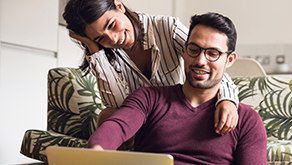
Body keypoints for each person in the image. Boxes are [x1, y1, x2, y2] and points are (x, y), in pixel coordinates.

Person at [87, 12, 267, 164]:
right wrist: (95, 152)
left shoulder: (247, 120)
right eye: (194, 50)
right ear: (184, 49)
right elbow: (116, 127)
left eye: (213, 53)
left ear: (229, 60)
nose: (200, 61)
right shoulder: (149, 98)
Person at [63, 0, 239, 141]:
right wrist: (94, 48)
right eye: (101, 37)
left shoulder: (167, 28)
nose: (114, 39)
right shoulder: (106, 53)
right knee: (107, 115)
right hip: (139, 120)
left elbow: (207, 61)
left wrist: (228, 100)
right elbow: (116, 106)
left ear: (119, 6)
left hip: (178, 113)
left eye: (111, 25)